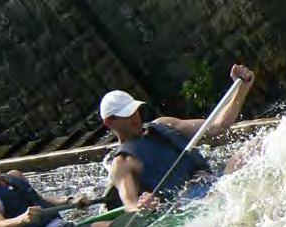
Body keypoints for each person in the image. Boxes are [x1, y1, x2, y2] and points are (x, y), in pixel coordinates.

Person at [100, 63, 255, 212]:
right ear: (109, 122)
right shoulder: (121, 164)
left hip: (215, 183)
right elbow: (130, 204)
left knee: (253, 147)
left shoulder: (165, 124)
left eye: (134, 111)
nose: (134, 118)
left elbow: (217, 126)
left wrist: (241, 87)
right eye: (126, 115)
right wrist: (141, 207)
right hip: (191, 206)